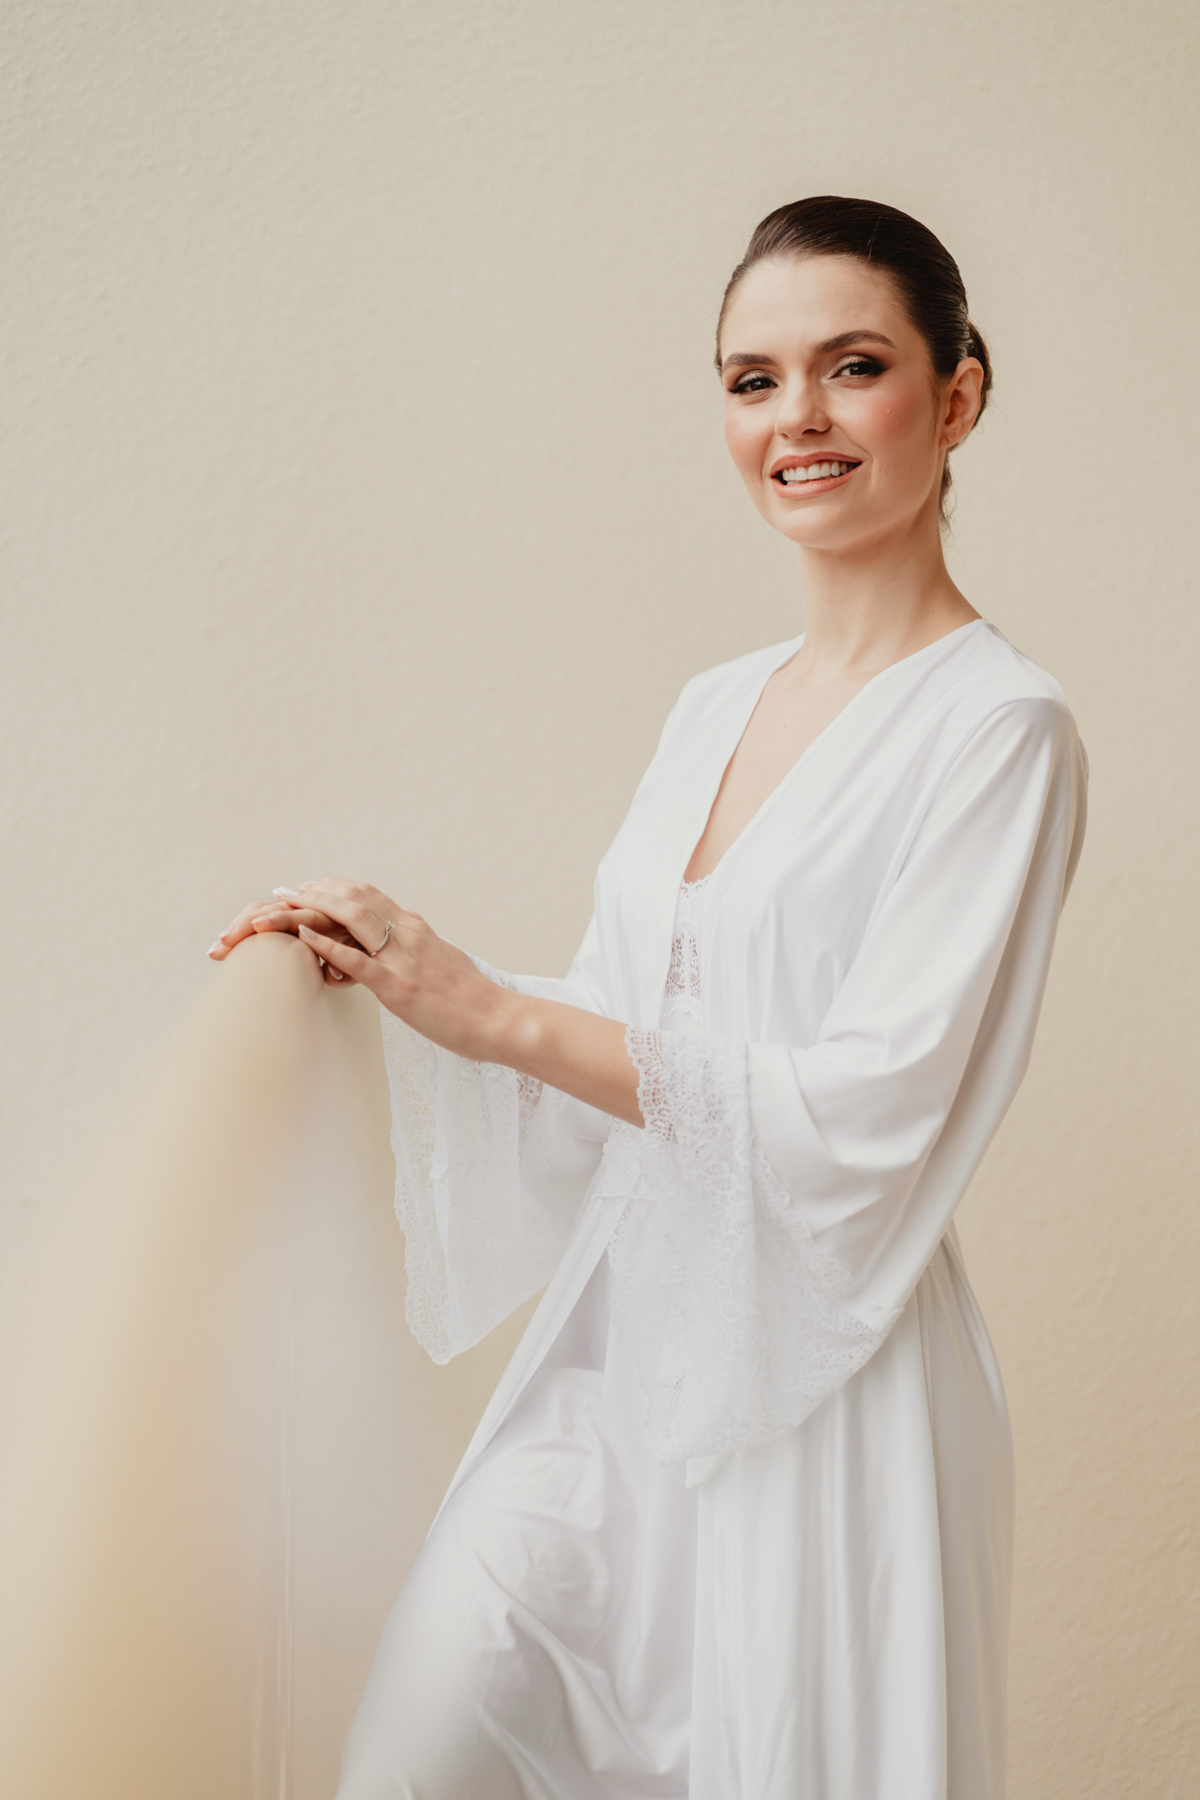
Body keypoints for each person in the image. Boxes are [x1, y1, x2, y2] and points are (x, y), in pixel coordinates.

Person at [211, 196, 1088, 1800]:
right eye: (753, 380)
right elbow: (627, 1020)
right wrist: (405, 967)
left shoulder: (1001, 729)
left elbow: (870, 1110)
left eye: (853, 366)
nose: (797, 418)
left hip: (829, 1385)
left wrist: (488, 1012)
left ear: (957, 395)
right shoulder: (712, 707)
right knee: (415, 1747)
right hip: (618, 1367)